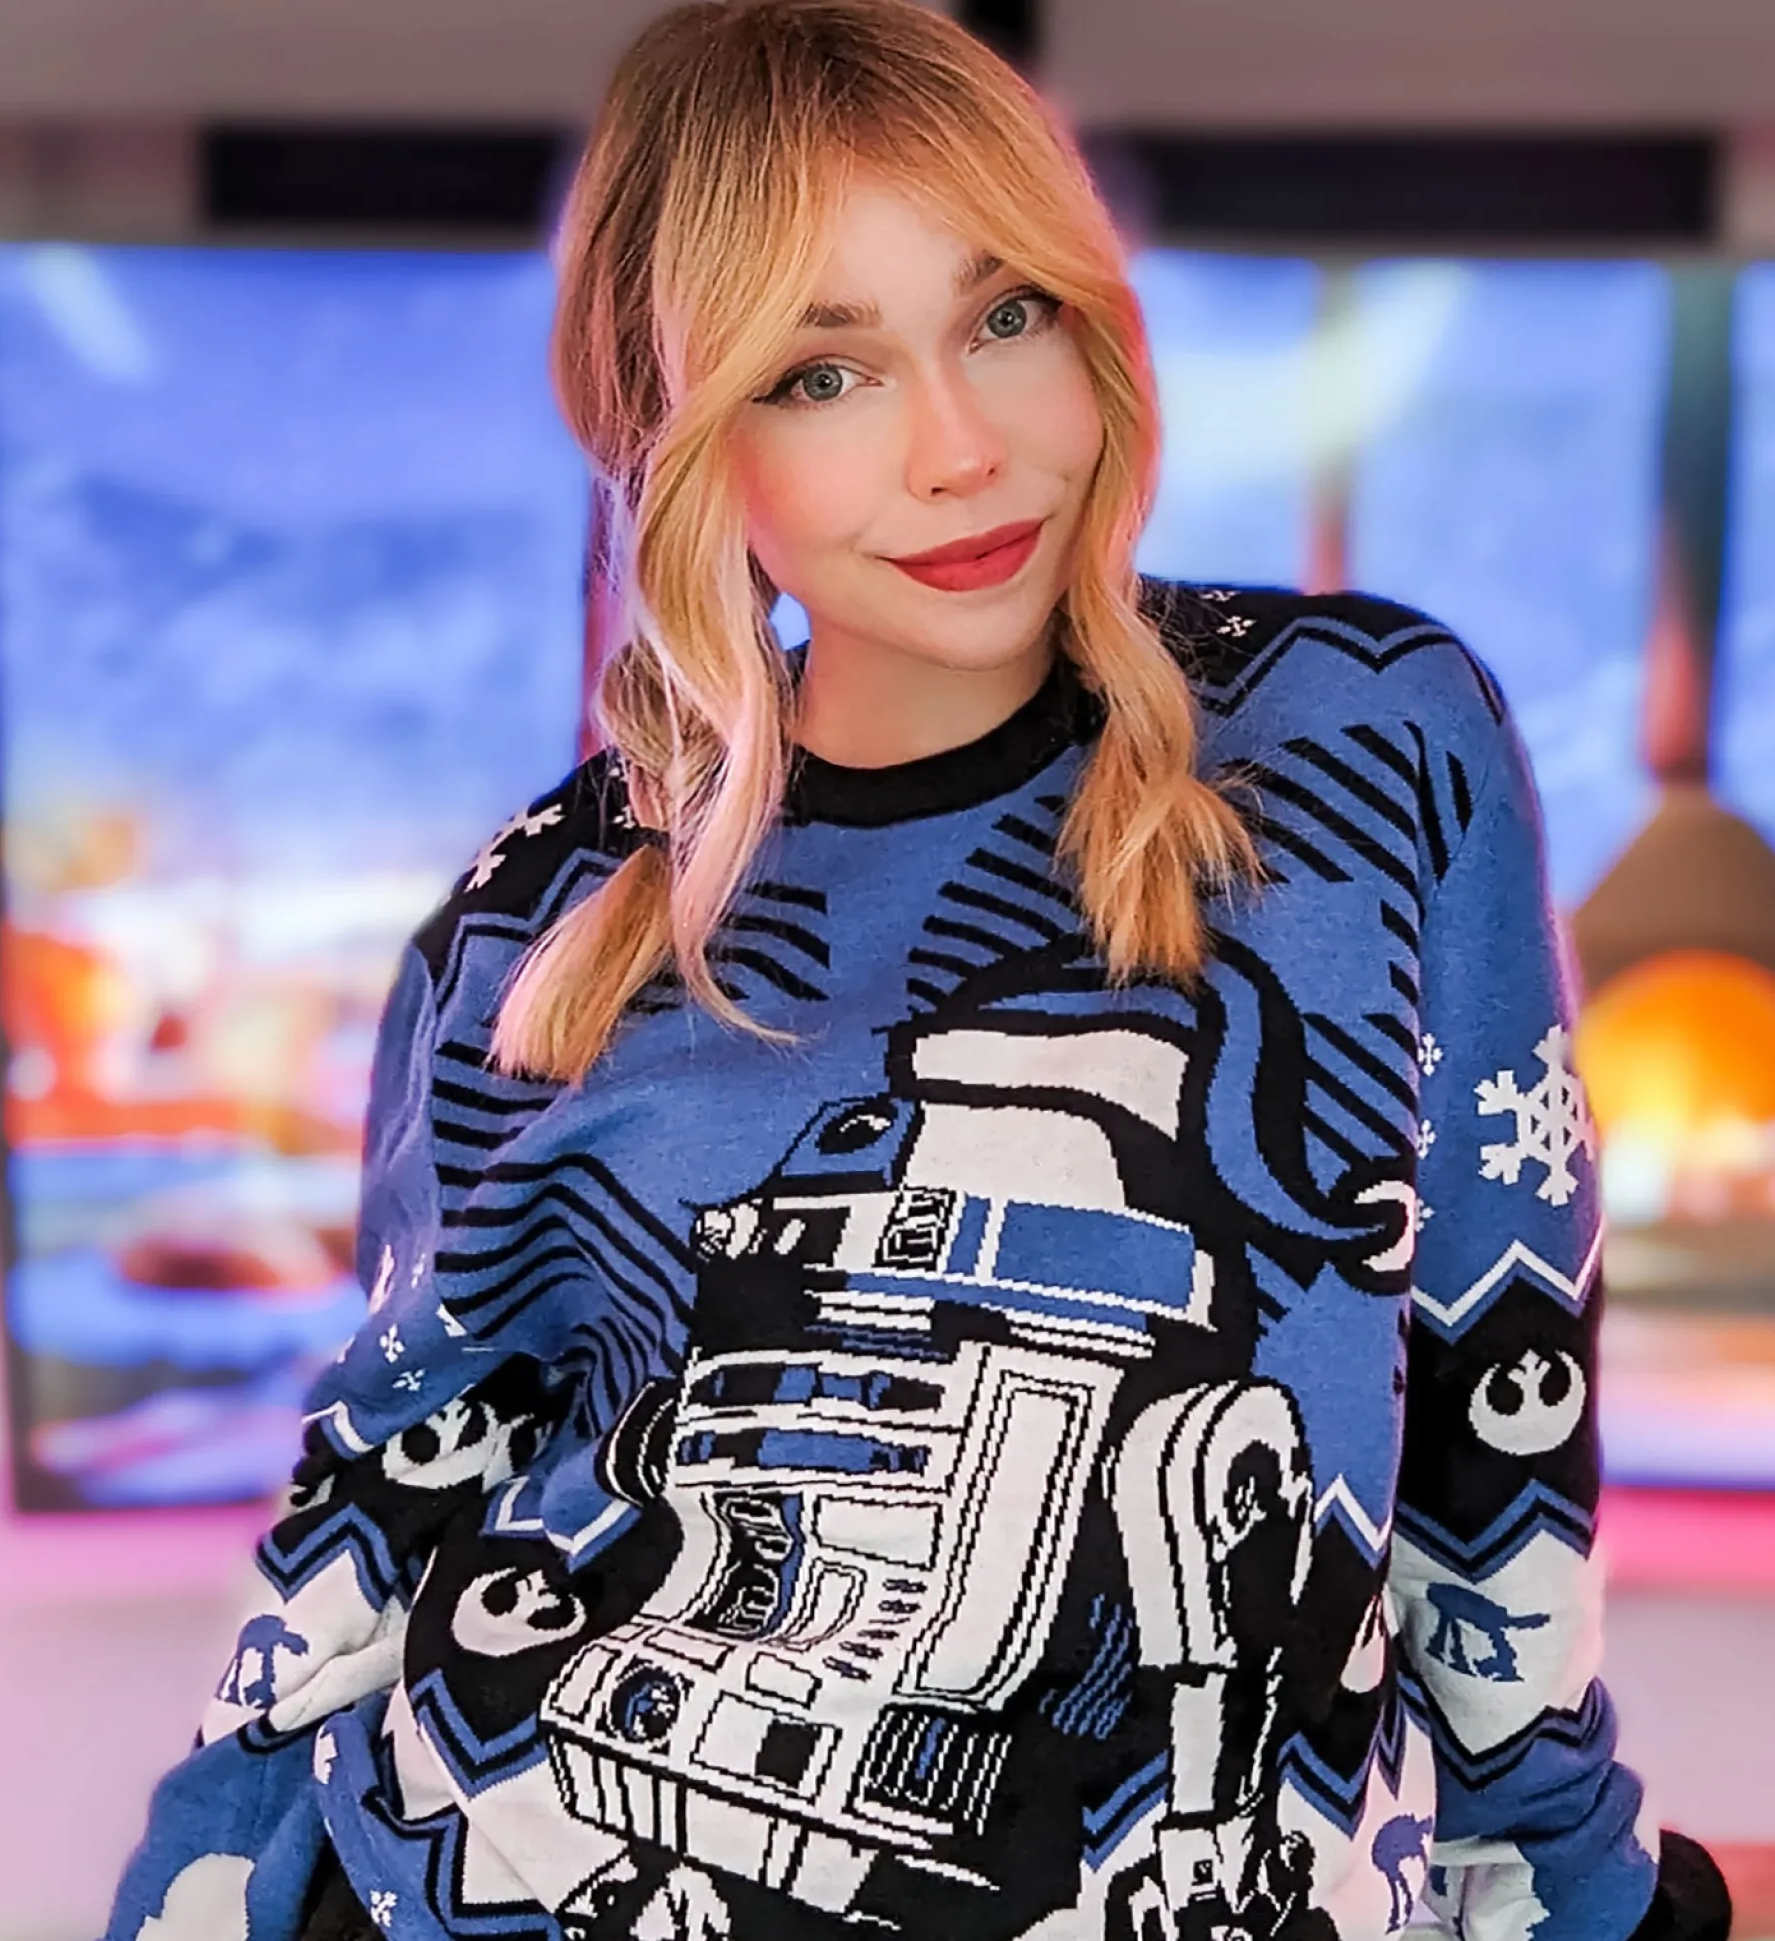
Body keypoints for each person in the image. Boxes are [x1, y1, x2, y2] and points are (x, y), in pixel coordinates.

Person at [104, 5, 1736, 1939]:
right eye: (823, 372)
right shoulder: (535, 919)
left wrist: (1568, 1881)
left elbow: (1492, 1389)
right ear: (683, 442)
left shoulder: (1362, 740)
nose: (961, 450)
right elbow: (387, 1479)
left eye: (1003, 315)